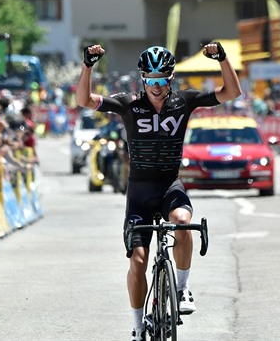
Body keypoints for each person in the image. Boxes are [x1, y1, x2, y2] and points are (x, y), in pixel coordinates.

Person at [75, 41, 241, 341]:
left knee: (181, 221)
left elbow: (232, 92)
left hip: (169, 186)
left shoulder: (184, 102)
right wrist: (88, 65)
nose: (156, 85)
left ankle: (182, 286)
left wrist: (223, 60)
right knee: (138, 261)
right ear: (142, 79)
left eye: (162, 79)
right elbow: (84, 100)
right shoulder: (129, 104)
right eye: (150, 79)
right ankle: (138, 326)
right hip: (139, 192)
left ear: (171, 77)